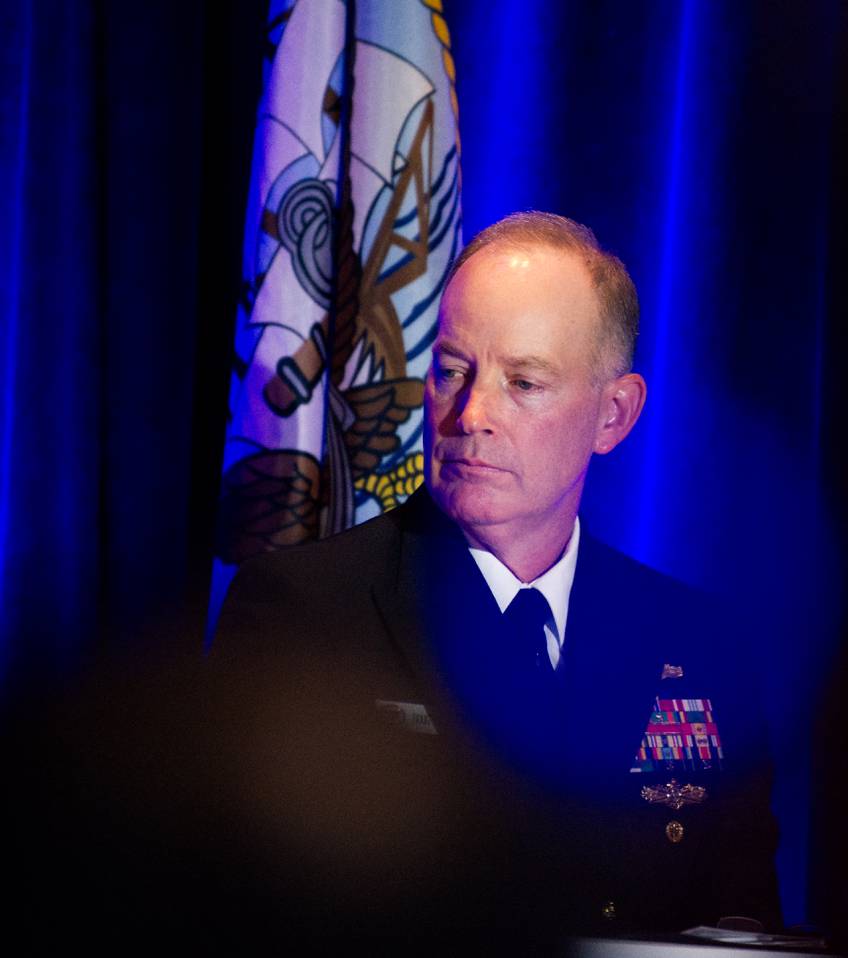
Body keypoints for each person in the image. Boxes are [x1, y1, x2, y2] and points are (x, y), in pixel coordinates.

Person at [210, 212, 781, 945]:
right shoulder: (303, 614)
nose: (471, 414)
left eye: (524, 382)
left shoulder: (701, 647)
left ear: (613, 415)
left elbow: (742, 926)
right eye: (452, 371)